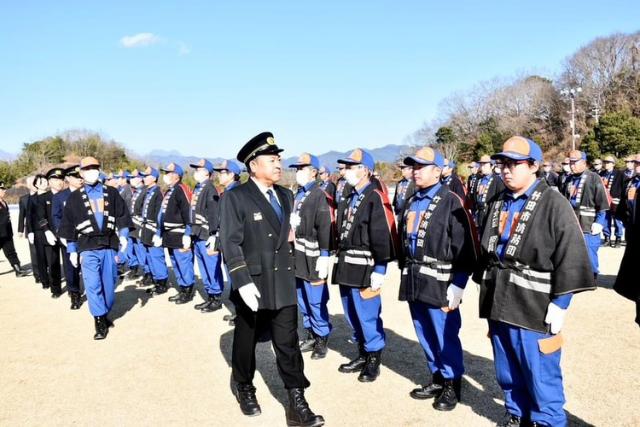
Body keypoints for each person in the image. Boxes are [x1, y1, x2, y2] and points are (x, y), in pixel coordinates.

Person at [475, 136, 595, 427]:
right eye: (502, 163)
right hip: (499, 297)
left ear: (534, 166)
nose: (506, 170)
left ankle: (547, 421)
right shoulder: (497, 201)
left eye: (514, 164)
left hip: (534, 303)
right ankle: (516, 414)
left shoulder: (554, 202)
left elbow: (572, 254)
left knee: (539, 371)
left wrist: (561, 303)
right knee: (507, 367)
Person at [220, 132, 324, 426]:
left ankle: (296, 402)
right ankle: (244, 385)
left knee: (288, 344)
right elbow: (230, 241)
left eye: (279, 160)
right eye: (272, 160)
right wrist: (241, 280)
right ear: (253, 165)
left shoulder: (285, 195)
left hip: (282, 282)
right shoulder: (236, 197)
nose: (279, 165)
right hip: (253, 283)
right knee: (246, 340)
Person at [397, 147, 477, 411]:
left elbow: (466, 245)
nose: (416, 171)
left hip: (441, 279)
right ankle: (436, 376)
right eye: (414, 167)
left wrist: (460, 283)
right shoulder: (412, 199)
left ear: (438, 170)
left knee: (444, 333)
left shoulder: (451, 200)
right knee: (423, 330)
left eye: (422, 167)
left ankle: (452, 383)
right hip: (414, 275)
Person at [332, 148, 397, 383]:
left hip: (366, 266)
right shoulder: (350, 195)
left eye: (350, 167)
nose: (345, 171)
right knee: (351, 312)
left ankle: (373, 357)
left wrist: (381, 269)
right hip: (346, 264)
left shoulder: (374, 196)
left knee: (367, 314)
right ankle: (361, 351)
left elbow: (382, 235)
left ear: (365, 170)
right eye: (345, 167)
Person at [58, 157, 132, 340]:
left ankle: (104, 312)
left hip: (108, 245)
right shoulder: (74, 198)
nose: (91, 171)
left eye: (95, 168)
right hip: (87, 246)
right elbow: (69, 226)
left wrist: (123, 236)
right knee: (92, 285)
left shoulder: (112, 193)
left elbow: (123, 216)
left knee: (109, 285)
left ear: (99, 170)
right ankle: (98, 321)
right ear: (81, 173)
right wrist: (72, 249)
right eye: (87, 168)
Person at [289, 153, 334, 360]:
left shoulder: (319, 194)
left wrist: (325, 255)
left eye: (302, 169)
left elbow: (324, 227)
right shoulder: (299, 194)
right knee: (302, 297)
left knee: (315, 299)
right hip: (298, 255)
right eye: (297, 169)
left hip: (314, 256)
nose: (298, 172)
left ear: (313, 172)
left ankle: (321, 337)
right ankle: (310, 332)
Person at [562, 150, 609, 280]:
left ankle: (592, 277)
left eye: (574, 162)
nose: (571, 165)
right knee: (572, 250)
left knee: (589, 251)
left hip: (588, 222)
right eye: (570, 162)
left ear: (583, 162)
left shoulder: (594, 177)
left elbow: (602, 203)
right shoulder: (569, 179)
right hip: (572, 221)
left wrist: (599, 222)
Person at [189, 158, 225, 312]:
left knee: (211, 267)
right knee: (203, 267)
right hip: (197, 234)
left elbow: (213, 213)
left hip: (206, 235)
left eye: (198, 169)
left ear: (206, 172)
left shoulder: (209, 188)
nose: (195, 172)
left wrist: (213, 233)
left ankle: (216, 298)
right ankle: (210, 295)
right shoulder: (199, 188)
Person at [157, 163, 195, 304]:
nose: (165, 175)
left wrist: (188, 233)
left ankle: (188, 291)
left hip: (180, 234)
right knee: (176, 263)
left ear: (176, 175)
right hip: (169, 235)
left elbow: (188, 213)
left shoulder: (181, 189)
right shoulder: (169, 190)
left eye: (168, 173)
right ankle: (182, 288)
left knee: (184, 263)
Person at [213, 159, 242, 325]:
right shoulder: (226, 192)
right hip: (226, 243)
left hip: (235, 245)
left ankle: (243, 314)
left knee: (238, 279)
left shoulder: (237, 193)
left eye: (222, 172)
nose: (219, 175)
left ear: (231, 174)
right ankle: (238, 312)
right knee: (232, 279)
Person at [53, 165, 84, 309]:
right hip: (69, 236)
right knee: (71, 267)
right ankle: (75, 293)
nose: (80, 180)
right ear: (68, 179)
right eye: (77, 177)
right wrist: (62, 234)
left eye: (81, 177)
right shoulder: (60, 197)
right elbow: (56, 216)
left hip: (86, 236)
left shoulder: (87, 193)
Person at [614, 153, 640, 327]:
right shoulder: (632, 182)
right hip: (634, 236)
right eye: (636, 162)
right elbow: (624, 207)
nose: (636, 165)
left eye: (638, 162)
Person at [29, 171, 62, 297]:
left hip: (59, 232)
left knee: (58, 260)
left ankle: (63, 288)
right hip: (44, 232)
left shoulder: (59, 196)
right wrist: (31, 231)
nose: (44, 183)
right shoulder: (37, 199)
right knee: (48, 260)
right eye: (40, 182)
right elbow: (35, 216)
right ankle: (50, 284)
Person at [139, 167, 170, 295]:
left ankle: (162, 283)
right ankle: (156, 280)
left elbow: (159, 215)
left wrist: (158, 232)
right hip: (146, 228)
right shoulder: (149, 191)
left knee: (156, 256)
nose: (144, 178)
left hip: (153, 229)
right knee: (150, 257)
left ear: (153, 178)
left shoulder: (158, 192)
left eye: (146, 176)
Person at [0, 181, 29, 277]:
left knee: (11, 251)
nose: (4, 191)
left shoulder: (3, 202)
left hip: (7, 232)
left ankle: (18, 269)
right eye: (2, 189)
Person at [471, 155, 505, 231]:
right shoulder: (478, 180)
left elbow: (500, 199)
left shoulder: (497, 181)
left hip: (489, 214)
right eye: (481, 164)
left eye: (485, 165)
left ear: (492, 166)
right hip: (478, 213)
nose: (482, 167)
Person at [599, 155, 625, 247]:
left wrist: (621, 199)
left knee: (617, 220)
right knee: (606, 219)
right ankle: (607, 238)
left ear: (613, 164)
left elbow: (624, 187)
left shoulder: (620, 174)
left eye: (608, 162)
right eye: (605, 162)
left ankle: (618, 238)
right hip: (604, 201)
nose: (606, 164)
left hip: (615, 200)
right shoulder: (601, 174)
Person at [18, 176, 39, 281]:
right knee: (34, 252)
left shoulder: (44, 196)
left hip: (44, 230)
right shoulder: (24, 199)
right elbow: (22, 215)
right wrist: (20, 230)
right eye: (32, 183)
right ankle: (37, 274)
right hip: (31, 230)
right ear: (28, 185)